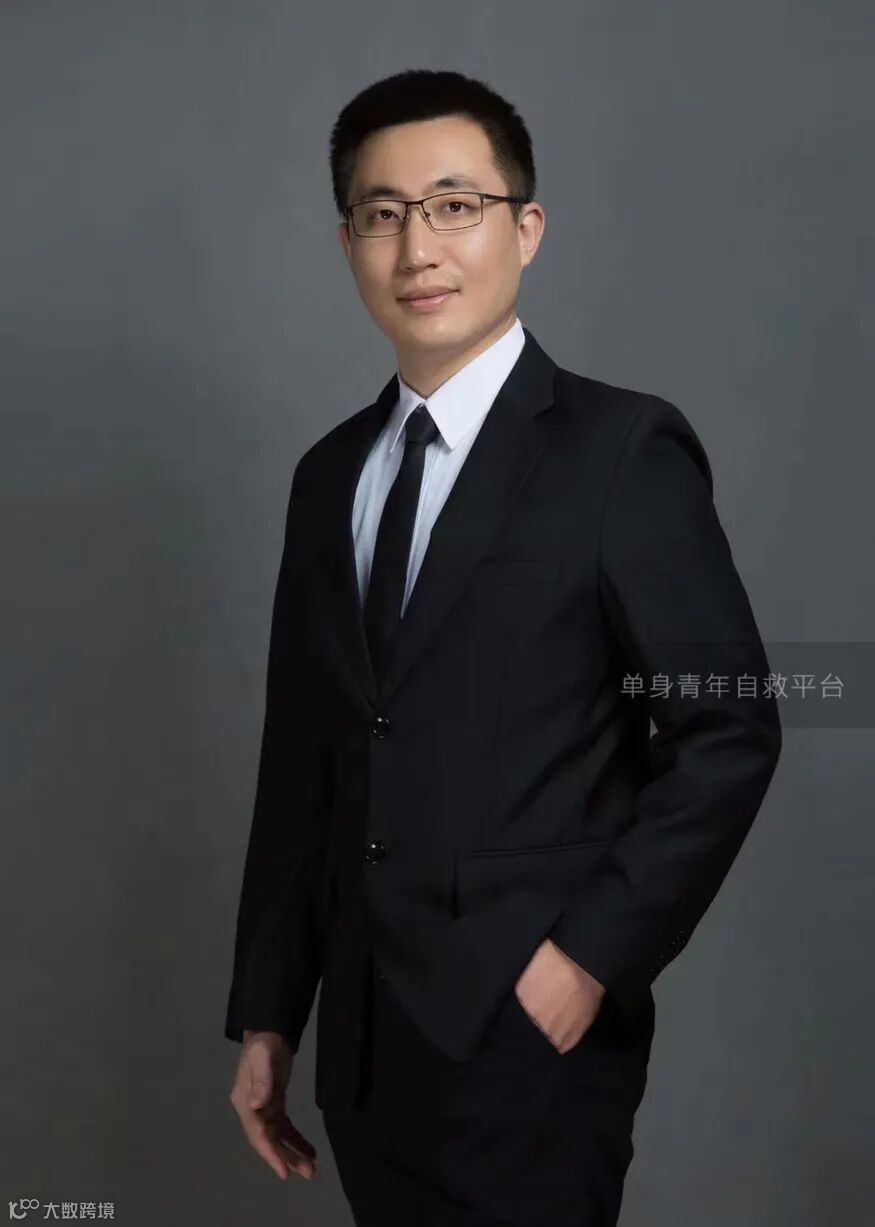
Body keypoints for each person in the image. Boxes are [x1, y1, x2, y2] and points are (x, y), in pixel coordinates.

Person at [225, 68, 782, 1227]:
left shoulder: (617, 451)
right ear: (347, 242)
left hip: (530, 1040)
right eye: (382, 214)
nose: (416, 248)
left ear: (523, 229)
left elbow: (726, 724)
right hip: (363, 1051)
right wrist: (270, 1015)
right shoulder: (328, 477)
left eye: (452, 206)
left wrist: (585, 958)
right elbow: (304, 767)